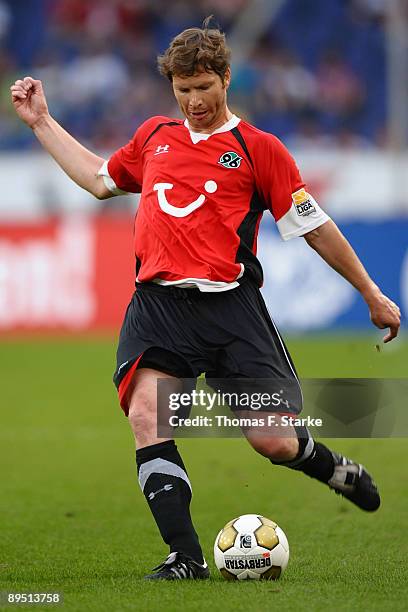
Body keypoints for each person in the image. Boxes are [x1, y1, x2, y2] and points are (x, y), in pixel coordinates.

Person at [11, 20, 400, 581]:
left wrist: (371, 292)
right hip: (160, 308)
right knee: (148, 414)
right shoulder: (154, 137)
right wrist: (43, 122)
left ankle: (326, 463)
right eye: (183, 90)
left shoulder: (259, 150)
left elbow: (315, 227)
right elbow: (99, 180)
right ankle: (185, 557)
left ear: (226, 79)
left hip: (230, 310)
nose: (194, 101)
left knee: (273, 442)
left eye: (203, 88)